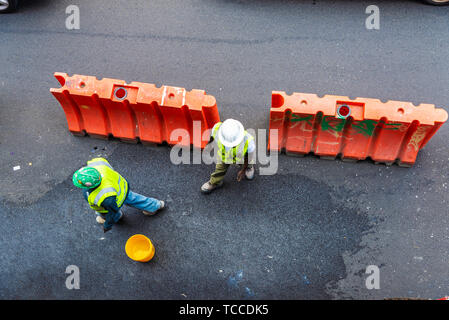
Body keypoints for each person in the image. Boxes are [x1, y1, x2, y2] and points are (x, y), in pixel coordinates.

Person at [72, 157, 165, 232]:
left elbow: (112, 211)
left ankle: (118, 217)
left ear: (88, 186)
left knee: (111, 213)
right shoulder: (98, 163)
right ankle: (155, 205)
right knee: (134, 199)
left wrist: (107, 225)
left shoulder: (104, 197)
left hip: (113, 202)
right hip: (122, 188)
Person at [201, 119, 256, 194]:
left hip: (241, 158)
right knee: (219, 170)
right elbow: (212, 137)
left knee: (248, 162)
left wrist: (243, 170)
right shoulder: (216, 129)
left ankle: (249, 168)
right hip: (224, 157)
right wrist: (208, 145)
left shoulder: (248, 141)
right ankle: (215, 182)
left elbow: (249, 156)